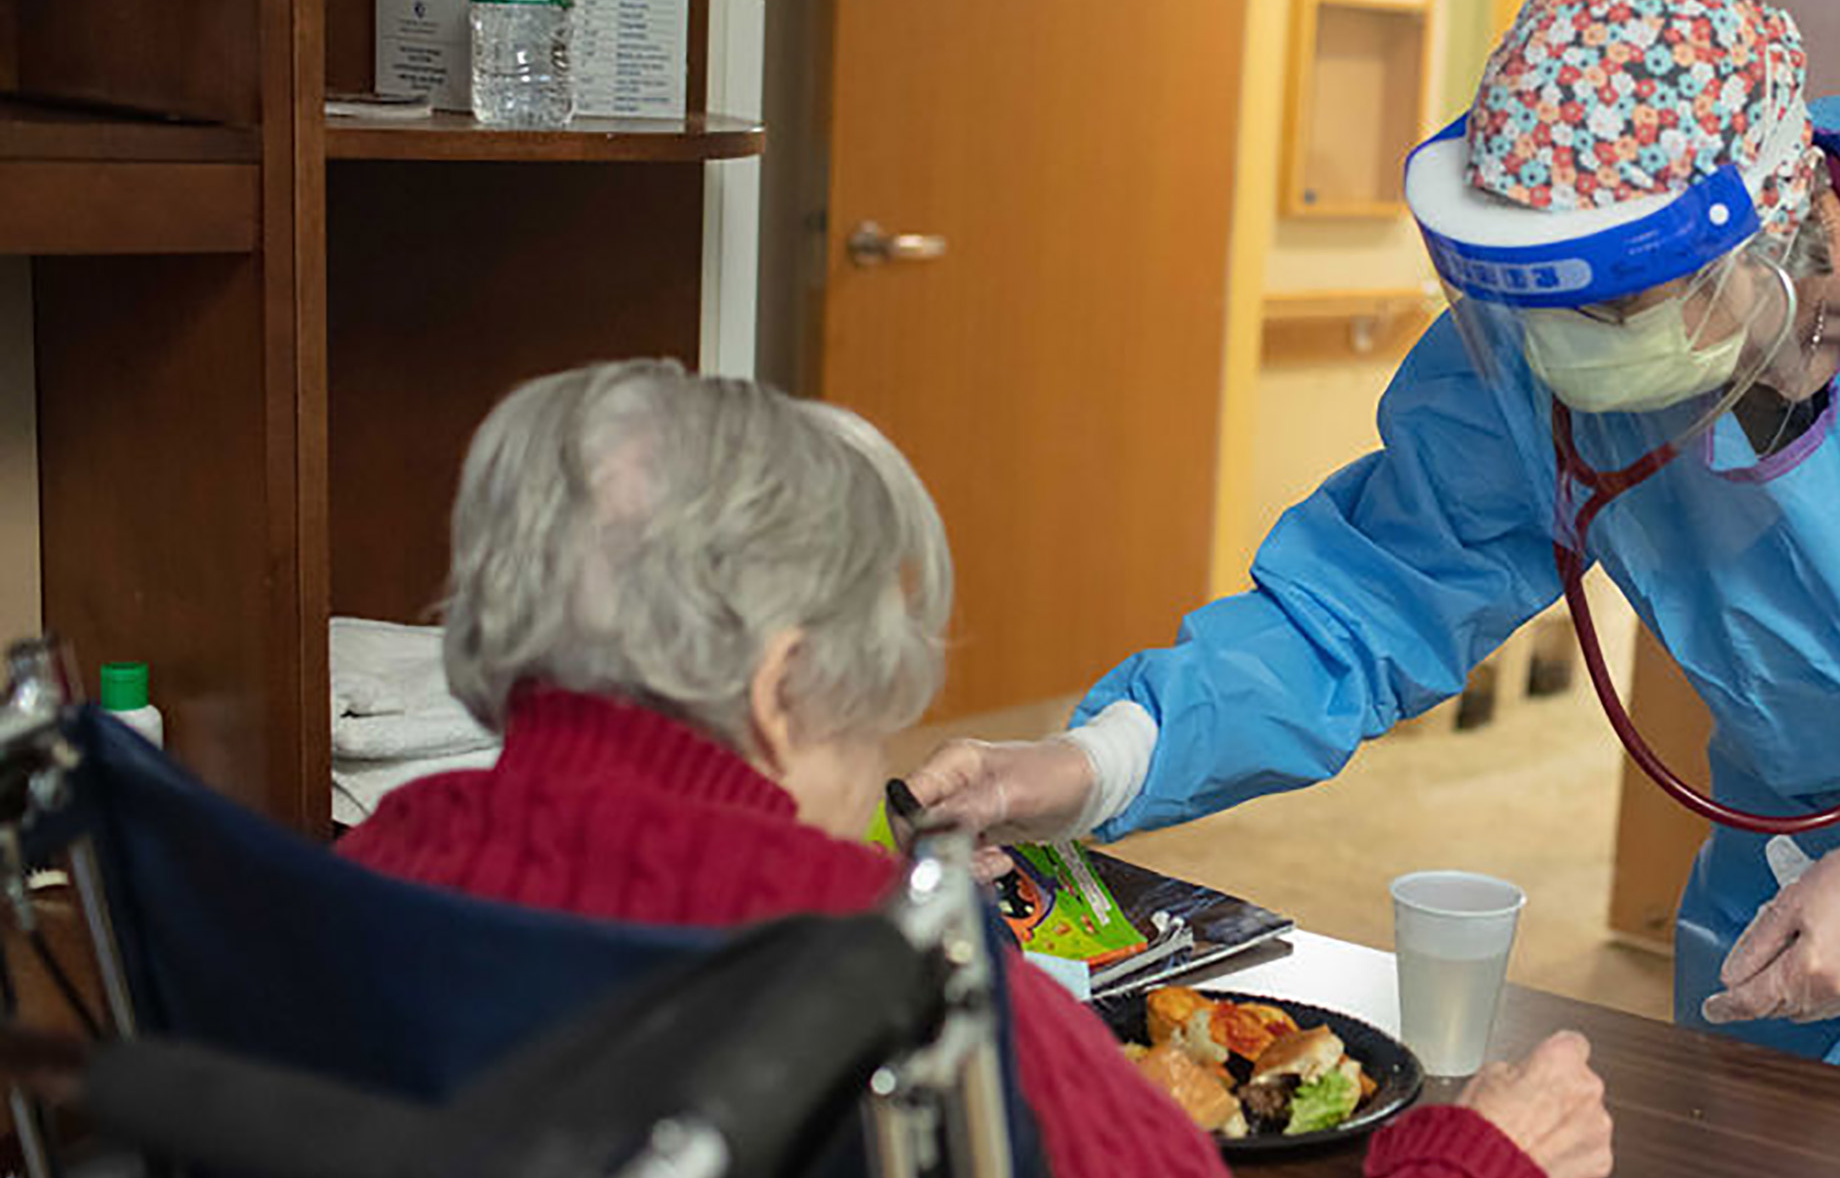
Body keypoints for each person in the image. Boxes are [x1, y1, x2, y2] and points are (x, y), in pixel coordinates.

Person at [911, 0, 1840, 1178]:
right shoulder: (1544, 350)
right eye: (1542, 307)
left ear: (1773, 230)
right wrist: (1096, 761)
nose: (1568, 354)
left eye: (1614, 306)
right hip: (1794, 827)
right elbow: (1369, 594)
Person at [339, 360, 1613, 1178]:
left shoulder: (375, 867)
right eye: (868, 709)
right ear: (783, 695)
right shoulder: (910, 986)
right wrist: (1477, 1155)